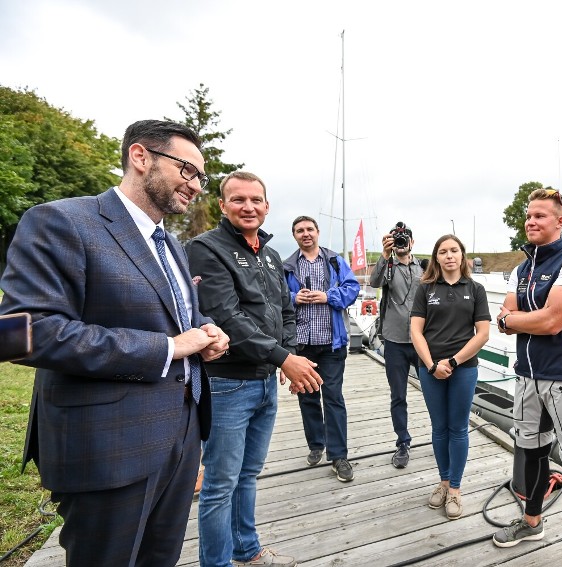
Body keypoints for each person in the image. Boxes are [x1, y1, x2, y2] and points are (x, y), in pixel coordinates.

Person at [0, 119, 230, 566]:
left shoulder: (171, 245)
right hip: (108, 447)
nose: (197, 186)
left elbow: (174, 315)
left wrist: (206, 331)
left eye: (201, 177)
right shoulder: (62, 221)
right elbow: (21, 334)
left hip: (181, 442)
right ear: (140, 157)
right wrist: (168, 348)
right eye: (188, 170)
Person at [187, 172, 323, 567]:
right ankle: (217, 562)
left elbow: (286, 310)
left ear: (266, 206)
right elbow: (225, 316)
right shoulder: (205, 249)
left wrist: (288, 355)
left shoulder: (270, 254)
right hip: (228, 383)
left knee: (248, 475)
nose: (248, 207)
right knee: (219, 484)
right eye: (238, 199)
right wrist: (284, 358)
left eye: (256, 200)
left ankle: (247, 551)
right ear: (223, 205)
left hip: (265, 380)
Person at [491, 188, 562, 567]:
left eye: (540, 215)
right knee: (535, 457)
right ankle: (532, 521)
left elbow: (552, 320)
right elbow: (508, 315)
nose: (531, 221)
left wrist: (517, 321)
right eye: (529, 216)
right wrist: (520, 320)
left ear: (560, 221)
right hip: (527, 376)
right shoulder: (521, 269)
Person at [409, 234, 490, 520]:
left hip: (463, 369)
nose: (449, 256)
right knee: (439, 428)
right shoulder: (425, 289)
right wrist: (432, 365)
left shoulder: (476, 289)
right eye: (442, 251)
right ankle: (443, 482)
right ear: (436, 258)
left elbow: (482, 333)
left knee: (458, 428)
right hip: (430, 369)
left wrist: (454, 361)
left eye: (454, 250)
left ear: (462, 255)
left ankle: (455, 488)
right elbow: (416, 331)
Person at [282, 216, 360, 482]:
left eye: (309, 229)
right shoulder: (287, 266)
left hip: (331, 343)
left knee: (334, 397)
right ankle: (316, 444)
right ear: (294, 236)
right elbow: (276, 298)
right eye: (300, 231)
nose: (306, 234)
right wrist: (295, 298)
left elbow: (353, 288)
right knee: (307, 397)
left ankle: (339, 456)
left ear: (317, 232)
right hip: (302, 344)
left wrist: (329, 296)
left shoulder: (335, 260)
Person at [369, 222, 423, 468]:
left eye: (404, 239)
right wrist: (384, 254)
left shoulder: (424, 267)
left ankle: (440, 436)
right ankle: (403, 442)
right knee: (398, 396)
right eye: (397, 239)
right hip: (395, 342)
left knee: (434, 392)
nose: (401, 243)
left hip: (423, 341)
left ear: (412, 242)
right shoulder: (387, 266)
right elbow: (374, 283)